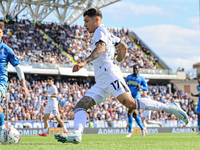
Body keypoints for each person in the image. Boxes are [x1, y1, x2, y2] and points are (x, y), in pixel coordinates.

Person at [54, 8, 188, 144]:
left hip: (109, 75)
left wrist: (84, 62)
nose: (85, 25)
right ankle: (77, 134)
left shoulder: (100, 31)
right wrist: (117, 62)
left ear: (96, 19)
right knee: (80, 107)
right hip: (102, 81)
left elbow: (101, 48)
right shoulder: (108, 33)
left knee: (130, 103)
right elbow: (123, 47)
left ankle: (171, 107)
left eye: (87, 21)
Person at [0, 22, 29, 131]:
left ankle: (2, 128)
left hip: (1, 81)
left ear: (2, 33)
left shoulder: (6, 49)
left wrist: (24, 85)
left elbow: (18, 68)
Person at [125, 64, 147, 137]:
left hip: (136, 97)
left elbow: (146, 88)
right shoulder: (129, 77)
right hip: (129, 96)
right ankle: (143, 128)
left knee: (129, 113)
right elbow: (124, 84)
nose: (135, 70)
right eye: (134, 68)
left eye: (137, 69)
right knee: (134, 115)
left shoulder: (141, 78)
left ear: (139, 69)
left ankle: (130, 131)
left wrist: (141, 87)